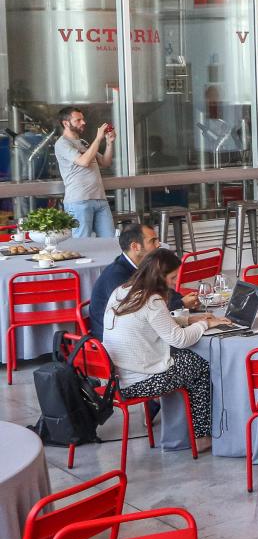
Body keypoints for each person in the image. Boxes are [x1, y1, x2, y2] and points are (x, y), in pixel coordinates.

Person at [102, 250, 229, 447]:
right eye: (172, 277)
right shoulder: (152, 300)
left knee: (187, 361)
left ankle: (182, 430)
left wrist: (188, 319)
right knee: (202, 365)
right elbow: (179, 339)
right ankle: (201, 436)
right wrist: (205, 324)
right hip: (139, 382)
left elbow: (150, 322)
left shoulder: (122, 291)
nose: (174, 282)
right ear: (159, 276)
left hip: (119, 379)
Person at [88, 222, 193, 342]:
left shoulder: (142, 267)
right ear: (135, 247)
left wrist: (180, 300)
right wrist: (180, 303)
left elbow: (159, 289)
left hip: (136, 332)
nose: (158, 244)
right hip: (114, 344)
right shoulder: (117, 275)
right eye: (153, 241)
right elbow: (141, 309)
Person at [55, 106, 116, 238]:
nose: (83, 122)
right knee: (82, 244)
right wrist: (98, 138)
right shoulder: (62, 144)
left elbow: (105, 162)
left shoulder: (83, 142)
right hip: (78, 201)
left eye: (83, 119)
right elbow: (83, 161)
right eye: (78, 120)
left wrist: (109, 143)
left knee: (109, 242)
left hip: (100, 199)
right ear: (66, 123)